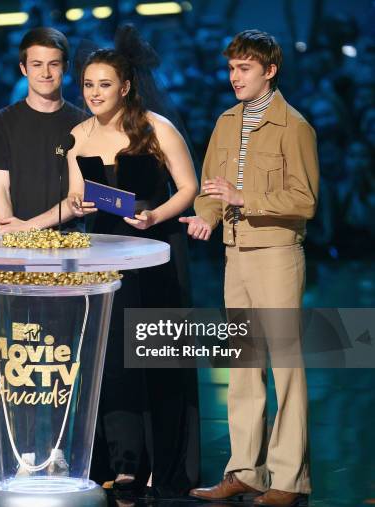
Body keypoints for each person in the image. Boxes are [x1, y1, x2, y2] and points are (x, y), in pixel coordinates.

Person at [184, 30, 318, 506]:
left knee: (285, 367)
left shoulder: (294, 125)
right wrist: (205, 215)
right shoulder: (226, 122)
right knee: (243, 366)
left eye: (244, 68)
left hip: (277, 254)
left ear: (270, 70)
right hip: (235, 254)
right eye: (231, 68)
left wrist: (246, 198)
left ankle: (288, 479)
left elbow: (305, 201)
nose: (234, 76)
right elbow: (210, 186)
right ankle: (245, 470)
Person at [67, 25, 200, 497]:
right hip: (103, 253)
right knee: (111, 363)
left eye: (104, 84)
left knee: (153, 359)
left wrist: (155, 214)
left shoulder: (156, 128)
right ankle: (122, 460)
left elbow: (189, 187)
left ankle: (158, 461)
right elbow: (76, 197)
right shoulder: (78, 136)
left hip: (154, 252)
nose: (95, 93)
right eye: (87, 84)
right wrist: (77, 205)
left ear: (124, 87)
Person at [0, 27, 86, 232]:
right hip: (14, 243)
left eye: (53, 64)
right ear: (23, 68)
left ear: (66, 67)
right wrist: (9, 233)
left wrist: (27, 228)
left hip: (70, 243)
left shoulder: (85, 123)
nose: (45, 73)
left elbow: (79, 195)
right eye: (37, 65)